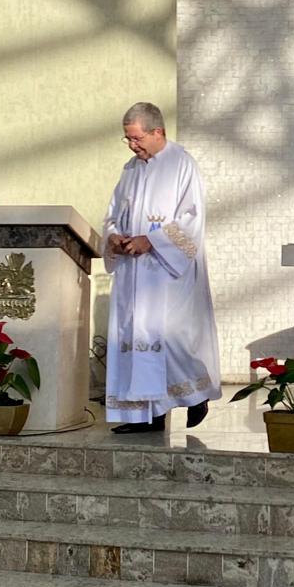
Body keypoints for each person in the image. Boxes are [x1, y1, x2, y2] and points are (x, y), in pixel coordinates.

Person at [102, 102, 221, 433]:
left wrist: (151, 241)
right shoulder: (130, 169)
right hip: (132, 274)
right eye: (127, 139)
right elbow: (112, 214)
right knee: (135, 339)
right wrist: (113, 237)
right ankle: (145, 416)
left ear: (158, 132)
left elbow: (192, 220)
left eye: (136, 138)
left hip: (167, 274)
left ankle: (195, 395)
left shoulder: (182, 164)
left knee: (170, 340)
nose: (131, 145)